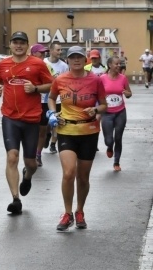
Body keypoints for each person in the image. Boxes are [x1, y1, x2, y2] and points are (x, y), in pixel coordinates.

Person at [0, 31, 54, 215]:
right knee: (12, 157)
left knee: (31, 163)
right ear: (10, 45)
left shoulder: (37, 64)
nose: (18, 46)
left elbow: (51, 84)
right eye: (15, 42)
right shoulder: (3, 64)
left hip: (31, 119)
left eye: (22, 43)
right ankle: (15, 199)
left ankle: (27, 177)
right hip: (10, 117)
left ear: (27, 46)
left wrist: (35, 88)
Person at [47, 46, 107, 231]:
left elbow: (104, 105)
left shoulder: (95, 80)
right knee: (68, 173)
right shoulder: (60, 79)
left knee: (82, 177)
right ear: (68, 60)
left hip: (89, 131)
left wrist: (95, 109)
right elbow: (51, 97)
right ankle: (67, 213)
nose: (76, 60)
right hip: (66, 130)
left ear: (85, 59)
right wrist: (52, 113)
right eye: (72, 57)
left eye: (79, 57)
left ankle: (80, 210)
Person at [100, 55, 132, 171]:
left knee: (118, 137)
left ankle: (116, 162)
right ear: (110, 65)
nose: (119, 66)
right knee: (109, 140)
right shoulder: (102, 78)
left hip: (120, 112)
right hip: (107, 113)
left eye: (119, 64)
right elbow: (97, 94)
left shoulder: (123, 78)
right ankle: (109, 147)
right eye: (116, 64)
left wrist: (127, 94)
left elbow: (129, 93)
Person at [44, 42, 69, 154]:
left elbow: (67, 81)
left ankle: (53, 144)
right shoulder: (43, 63)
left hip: (58, 99)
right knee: (46, 124)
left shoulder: (64, 66)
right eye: (58, 50)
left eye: (61, 50)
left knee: (56, 123)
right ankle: (47, 135)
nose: (60, 52)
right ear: (51, 50)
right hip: (44, 99)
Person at [29, 43, 52, 166]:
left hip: (44, 102)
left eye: (44, 53)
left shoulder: (47, 66)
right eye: (41, 52)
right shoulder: (27, 65)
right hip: (31, 103)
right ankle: (30, 154)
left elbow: (53, 81)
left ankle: (38, 154)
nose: (43, 55)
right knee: (32, 131)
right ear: (33, 53)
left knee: (42, 130)